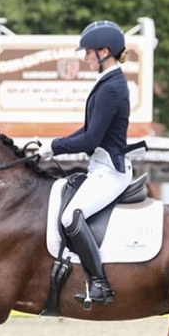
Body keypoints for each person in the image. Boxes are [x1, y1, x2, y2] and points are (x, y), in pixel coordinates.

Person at [38, 20, 137, 307]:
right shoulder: (107, 82)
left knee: (71, 216)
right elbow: (86, 130)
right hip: (100, 167)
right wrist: (52, 144)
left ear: (104, 51)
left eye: (88, 52)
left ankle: (100, 283)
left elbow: (91, 139)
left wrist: (54, 147)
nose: (85, 57)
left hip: (110, 171)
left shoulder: (112, 87)